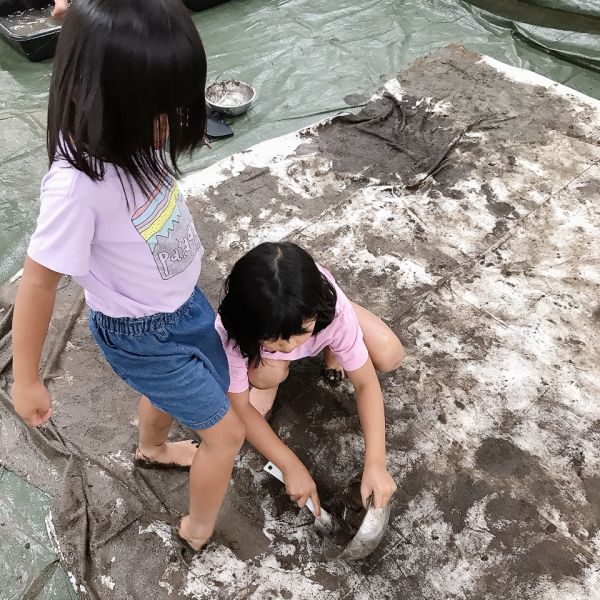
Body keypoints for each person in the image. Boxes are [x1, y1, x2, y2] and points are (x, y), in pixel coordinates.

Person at [10, 0, 245, 553]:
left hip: (181, 305)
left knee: (174, 395)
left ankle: (152, 449)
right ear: (102, 101)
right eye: (162, 112)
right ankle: (198, 527)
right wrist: (26, 380)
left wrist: (73, 13)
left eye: (180, 105)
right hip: (141, 336)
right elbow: (39, 283)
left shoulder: (131, 130)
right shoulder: (76, 188)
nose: (175, 124)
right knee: (227, 435)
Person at [216, 242, 405, 515]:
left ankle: (335, 344)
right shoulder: (231, 331)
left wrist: (376, 463)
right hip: (285, 333)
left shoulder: (330, 311)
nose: (289, 345)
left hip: (329, 315)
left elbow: (365, 383)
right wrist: (289, 465)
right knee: (261, 384)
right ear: (247, 327)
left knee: (390, 354)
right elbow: (240, 406)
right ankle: (292, 359)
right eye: (274, 339)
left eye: (300, 332)